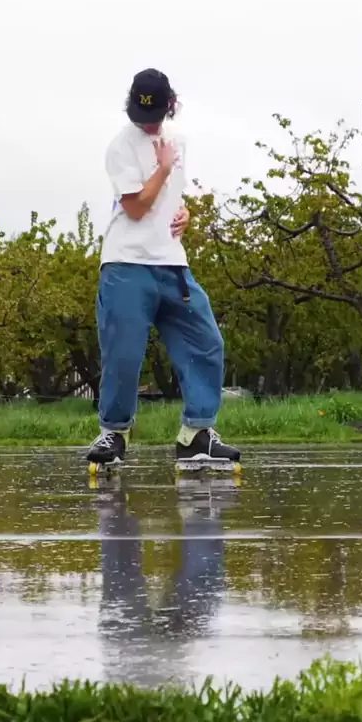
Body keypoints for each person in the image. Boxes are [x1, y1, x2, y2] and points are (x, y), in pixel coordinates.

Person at [86, 68, 241, 468]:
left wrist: (184, 213)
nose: (149, 123)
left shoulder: (178, 141)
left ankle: (196, 435)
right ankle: (113, 434)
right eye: (142, 115)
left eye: (155, 114)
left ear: (171, 104)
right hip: (126, 262)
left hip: (171, 262)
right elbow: (136, 207)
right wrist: (164, 168)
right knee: (123, 353)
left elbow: (168, 199)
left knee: (206, 342)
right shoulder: (121, 146)